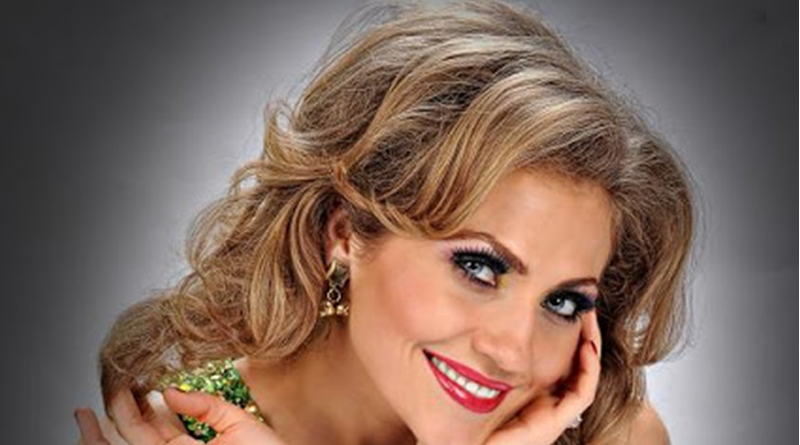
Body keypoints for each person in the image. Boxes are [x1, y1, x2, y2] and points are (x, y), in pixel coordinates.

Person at [74, 1, 694, 444]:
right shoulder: (168, 436)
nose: (513, 352)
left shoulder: (613, 436)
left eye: (562, 302)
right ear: (343, 231)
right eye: (478, 268)